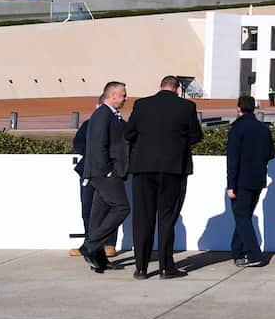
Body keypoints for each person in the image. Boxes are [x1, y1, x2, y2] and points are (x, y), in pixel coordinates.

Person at [124, 75, 203, 280]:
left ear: (159, 87)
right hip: (173, 168)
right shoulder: (187, 107)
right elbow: (196, 136)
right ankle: (167, 267)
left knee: (143, 218)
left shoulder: (141, 104)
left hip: (143, 168)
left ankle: (141, 268)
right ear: (177, 89)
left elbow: (128, 133)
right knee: (167, 218)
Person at [79, 81, 129, 273]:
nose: (125, 98)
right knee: (122, 207)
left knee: (98, 216)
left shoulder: (109, 115)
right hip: (104, 173)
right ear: (113, 95)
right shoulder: (103, 114)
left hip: (105, 172)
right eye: (123, 95)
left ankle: (98, 259)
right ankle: (90, 245)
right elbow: (98, 144)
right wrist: (107, 170)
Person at [226, 94, 275, 268]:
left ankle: (254, 254)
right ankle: (237, 251)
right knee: (244, 216)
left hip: (241, 181)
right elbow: (271, 153)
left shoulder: (236, 129)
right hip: (258, 179)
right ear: (254, 108)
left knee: (241, 217)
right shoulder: (263, 128)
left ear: (239, 108)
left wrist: (230, 184)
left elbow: (232, 160)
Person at [70, 99, 117, 259]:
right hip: (88, 172)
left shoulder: (117, 124)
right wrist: (94, 154)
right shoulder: (88, 125)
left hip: (108, 173)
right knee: (87, 209)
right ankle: (89, 244)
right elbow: (78, 144)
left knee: (111, 209)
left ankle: (109, 244)